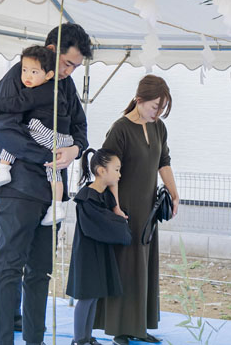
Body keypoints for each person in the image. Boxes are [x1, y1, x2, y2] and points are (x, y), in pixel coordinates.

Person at [0, 23, 91, 345]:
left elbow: (80, 126)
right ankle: (1, 340)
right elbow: (1, 126)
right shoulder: (21, 75)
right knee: (8, 267)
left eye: (75, 66)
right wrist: (44, 154)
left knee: (40, 271)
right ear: (50, 50)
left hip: (51, 191)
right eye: (67, 63)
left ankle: (36, 339)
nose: (69, 71)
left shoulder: (67, 85)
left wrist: (74, 149)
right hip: (18, 188)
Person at [93, 75, 179, 345]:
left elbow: (163, 162)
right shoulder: (120, 129)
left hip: (148, 210)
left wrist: (174, 193)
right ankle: (120, 329)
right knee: (125, 266)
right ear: (139, 100)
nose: (158, 113)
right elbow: (107, 171)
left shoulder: (158, 127)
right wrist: (116, 207)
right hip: (125, 208)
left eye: (162, 109)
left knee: (144, 266)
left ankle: (139, 325)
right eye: (156, 106)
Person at [0, 45, 74, 226]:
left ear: (48, 75)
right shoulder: (53, 89)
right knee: (53, 171)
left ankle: (3, 168)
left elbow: (19, 102)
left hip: (52, 137)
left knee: (20, 133)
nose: (27, 76)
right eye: (24, 70)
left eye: (34, 72)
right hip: (59, 138)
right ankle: (56, 207)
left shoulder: (45, 90)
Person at [67, 148, 132, 345]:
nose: (120, 174)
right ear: (101, 170)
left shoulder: (105, 196)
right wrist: (121, 225)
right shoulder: (87, 196)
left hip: (100, 251)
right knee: (86, 297)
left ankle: (87, 337)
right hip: (87, 254)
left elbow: (110, 219)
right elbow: (98, 224)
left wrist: (117, 218)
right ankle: (79, 340)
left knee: (94, 296)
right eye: (117, 169)